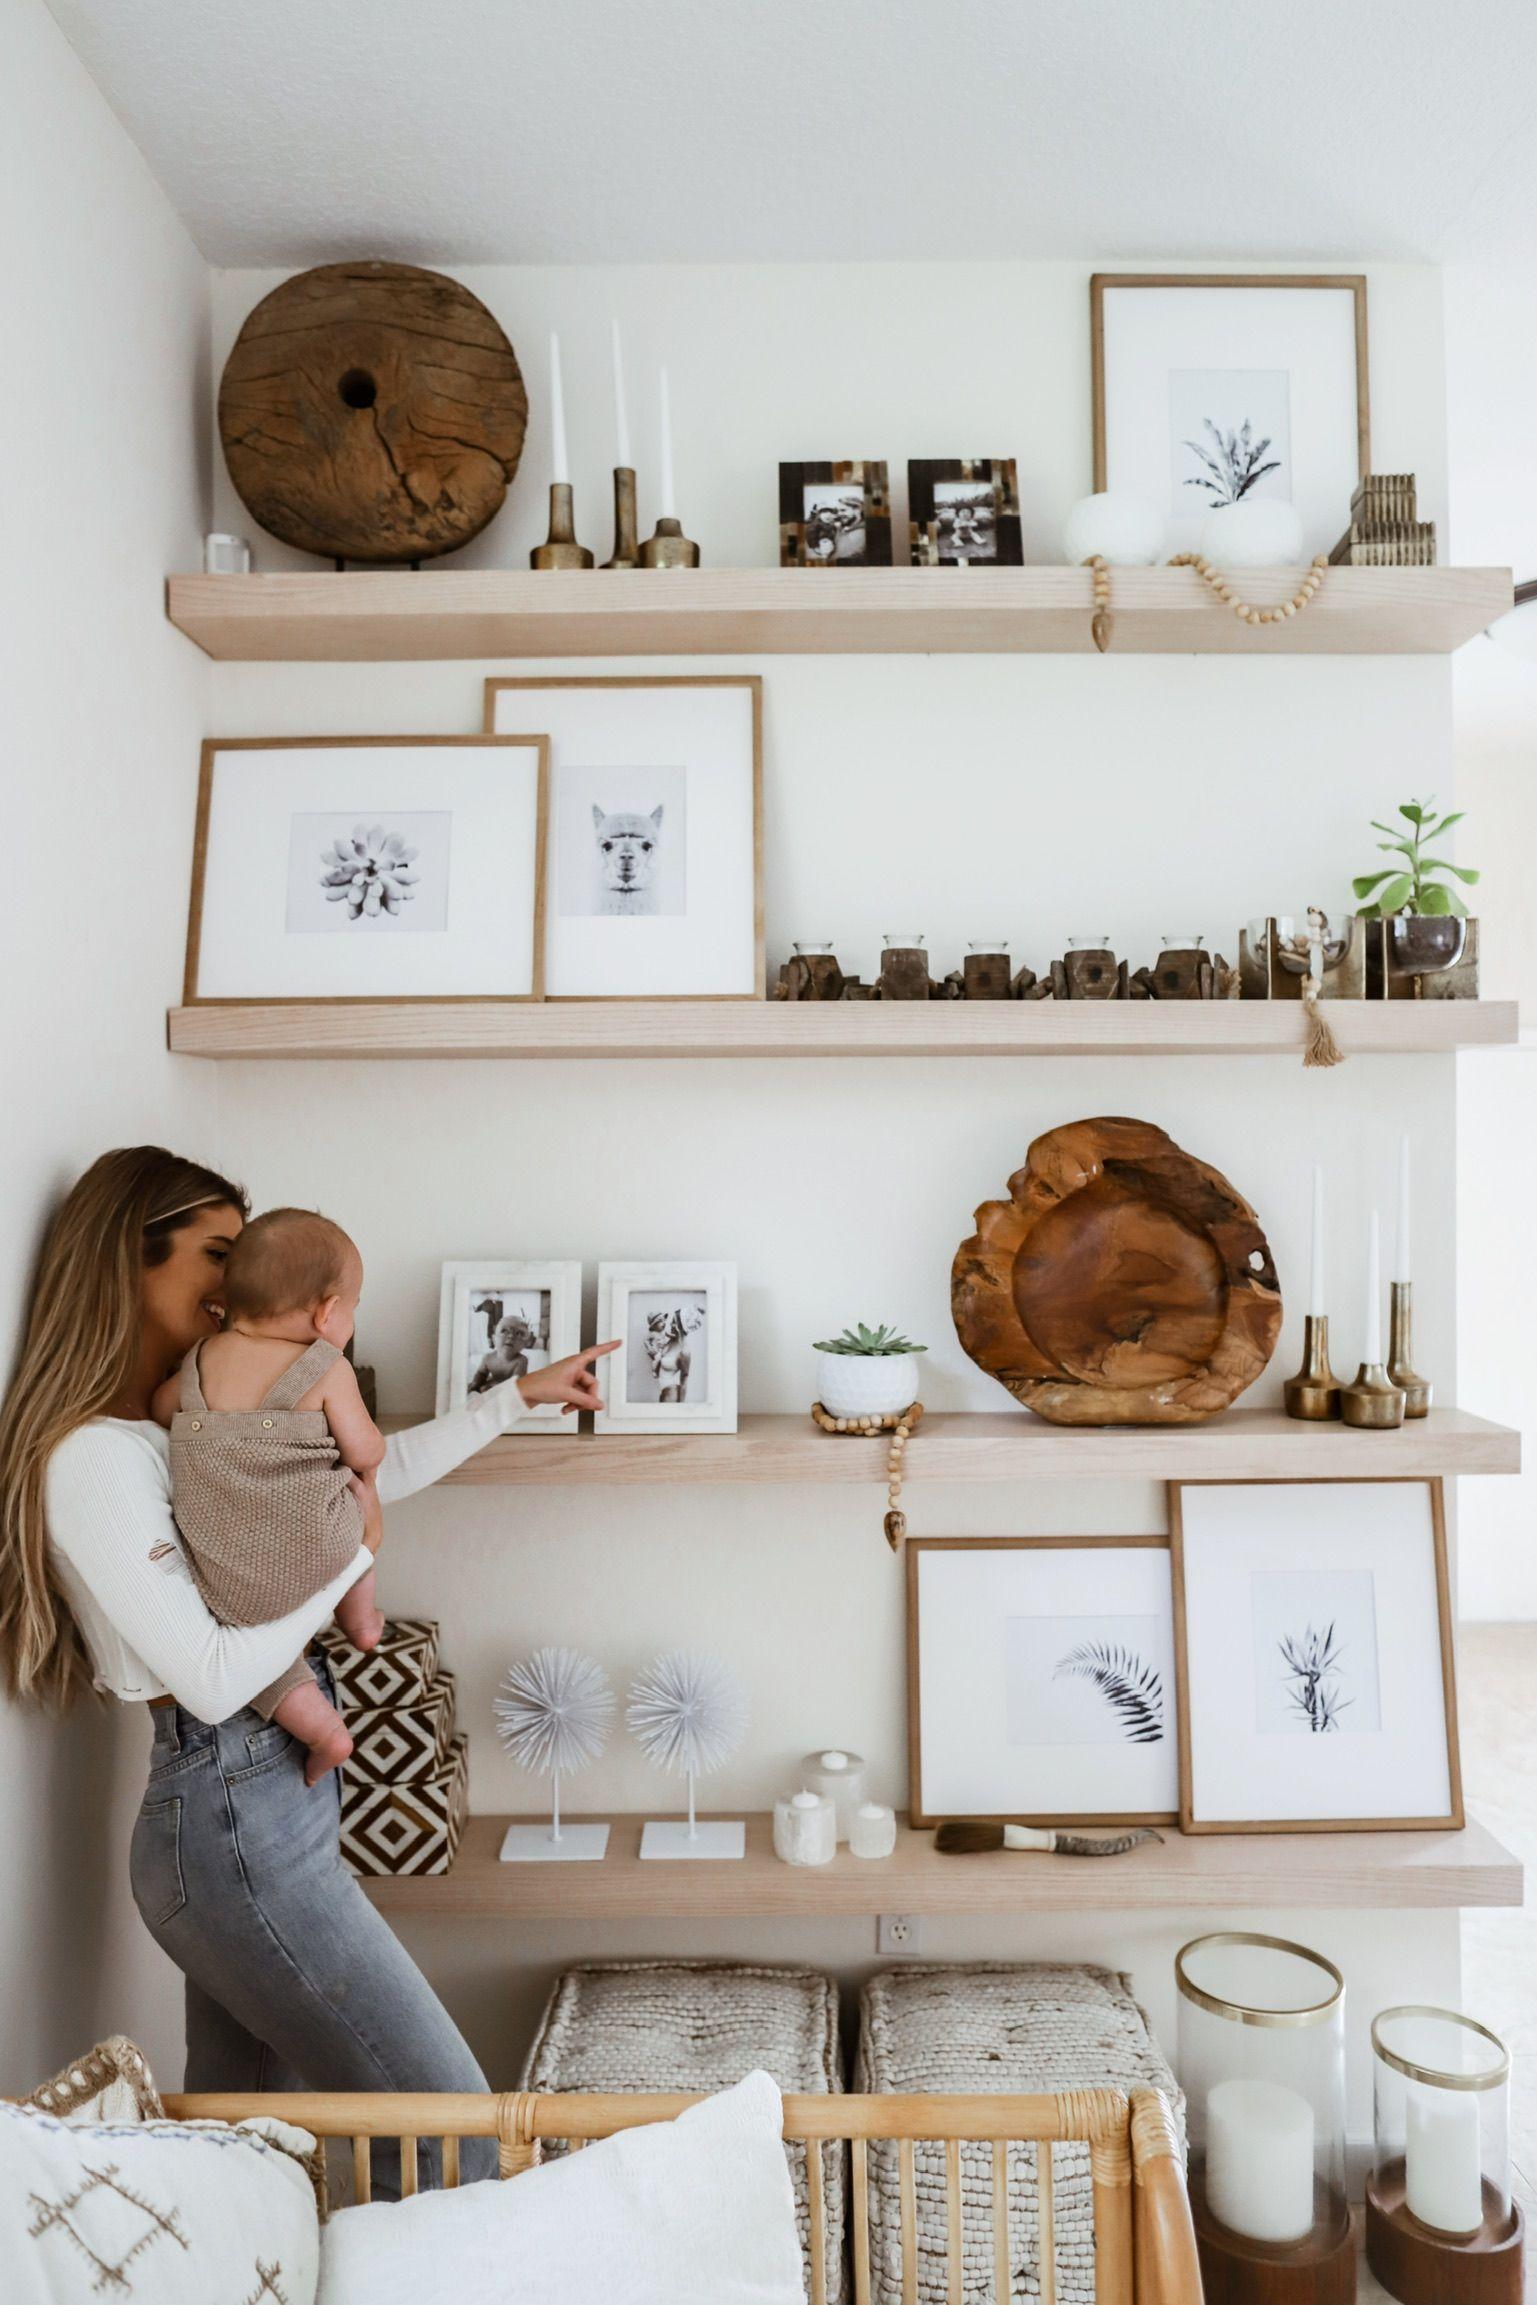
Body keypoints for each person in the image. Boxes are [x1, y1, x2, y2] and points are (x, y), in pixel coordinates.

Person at [0, 1146, 617, 2193]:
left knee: (262, 2156)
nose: (241, 1279)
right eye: (219, 1253)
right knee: (449, 2134)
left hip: (256, 1809)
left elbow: (352, 1478)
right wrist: (356, 1550)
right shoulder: (96, 1459)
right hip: (225, 1807)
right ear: (127, 1264)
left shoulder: (187, 1424)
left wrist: (515, 1397)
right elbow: (206, 1672)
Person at [150, 1205, 388, 1786]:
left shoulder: (198, 1361)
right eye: (351, 1310)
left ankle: (324, 1732)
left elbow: (162, 1413)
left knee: (257, 1648)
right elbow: (365, 1450)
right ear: (328, 1312)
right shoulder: (325, 1367)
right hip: (319, 1551)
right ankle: (362, 1621)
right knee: (354, 1498)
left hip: (223, 1577)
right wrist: (370, 1489)